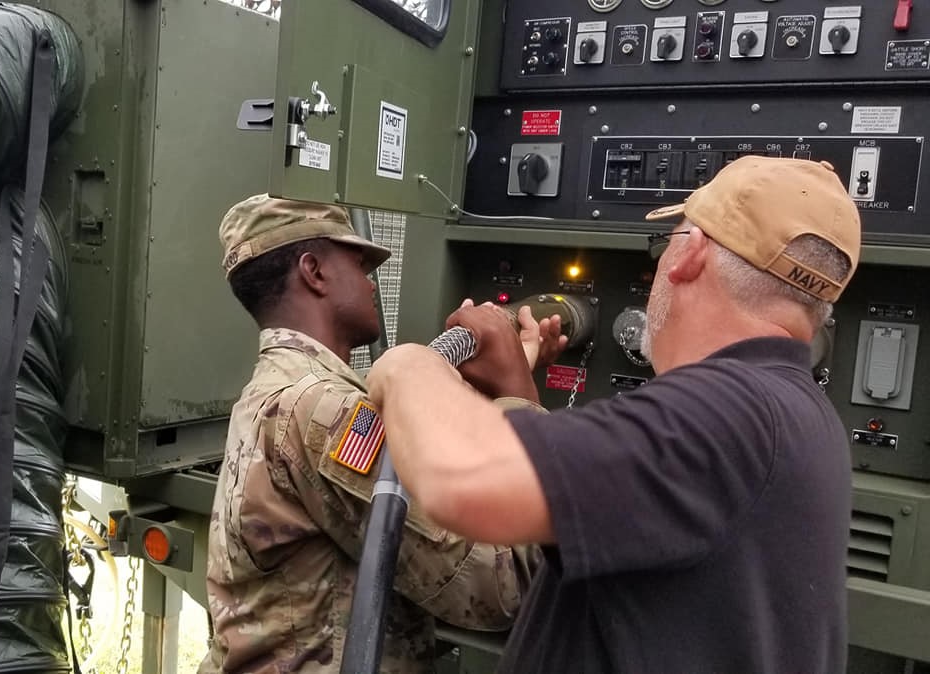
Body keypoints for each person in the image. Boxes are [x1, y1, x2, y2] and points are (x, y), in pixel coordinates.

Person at [366, 156, 861, 674]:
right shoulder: (800, 415)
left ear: (691, 253)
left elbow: (464, 480)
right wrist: (510, 384)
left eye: (666, 242)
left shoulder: (731, 412)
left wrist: (411, 367)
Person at [200, 195, 560, 674]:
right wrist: (519, 395)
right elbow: (500, 584)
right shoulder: (321, 411)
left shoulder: (282, 391)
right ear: (314, 271)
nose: (371, 282)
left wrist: (497, 379)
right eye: (360, 265)